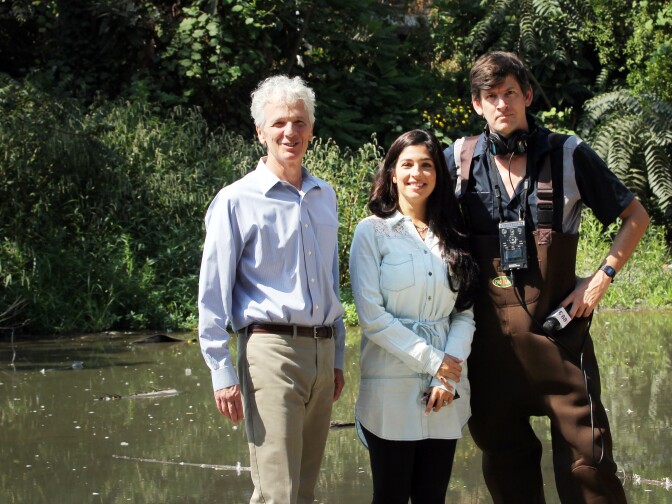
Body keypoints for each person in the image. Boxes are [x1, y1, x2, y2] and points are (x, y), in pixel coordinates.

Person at [444, 51, 650, 503]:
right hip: (487, 352)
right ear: (477, 104)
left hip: (561, 340)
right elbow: (411, 217)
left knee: (587, 467)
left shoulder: (568, 154)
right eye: (491, 96)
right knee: (505, 467)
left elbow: (636, 215)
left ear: (528, 96)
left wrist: (599, 278)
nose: (502, 104)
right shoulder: (456, 160)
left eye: (510, 93)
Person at [197, 74, 346, 504]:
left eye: (299, 122)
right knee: (276, 493)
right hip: (269, 352)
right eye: (279, 122)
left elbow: (330, 280)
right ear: (260, 131)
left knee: (304, 490)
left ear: (311, 130)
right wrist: (222, 372)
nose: (290, 132)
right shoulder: (236, 200)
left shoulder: (325, 196)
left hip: (321, 353)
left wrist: (335, 356)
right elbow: (212, 292)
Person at [349, 129, 479, 504]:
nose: (416, 174)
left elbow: (465, 313)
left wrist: (449, 376)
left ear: (438, 174)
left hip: (446, 390)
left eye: (426, 165)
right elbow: (372, 318)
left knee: (432, 497)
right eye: (407, 164)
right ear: (392, 172)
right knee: (389, 496)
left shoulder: (453, 234)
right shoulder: (372, 232)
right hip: (390, 387)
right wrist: (435, 361)